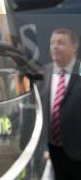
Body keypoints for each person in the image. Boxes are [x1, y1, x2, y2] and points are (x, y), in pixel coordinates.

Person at [40, 28, 81, 180]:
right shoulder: (43, 73)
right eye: (52, 43)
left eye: (60, 43)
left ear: (74, 47)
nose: (55, 47)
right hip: (49, 153)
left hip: (76, 154)